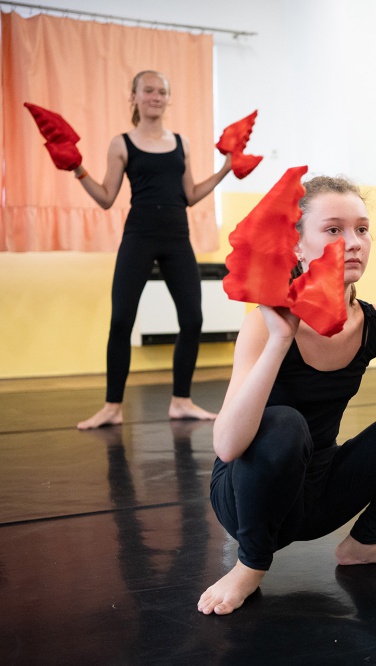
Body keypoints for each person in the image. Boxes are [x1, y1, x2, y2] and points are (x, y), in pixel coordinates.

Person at [197, 175, 376, 616]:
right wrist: (281, 339)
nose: (353, 242)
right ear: (298, 246)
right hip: (246, 500)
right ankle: (251, 563)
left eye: (362, 229)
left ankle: (367, 541)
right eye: (334, 229)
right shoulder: (264, 323)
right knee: (285, 423)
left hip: (318, 498)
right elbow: (226, 446)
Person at [74, 70, 232, 429]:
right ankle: (112, 407)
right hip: (140, 235)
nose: (155, 96)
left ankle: (181, 401)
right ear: (134, 97)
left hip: (177, 235)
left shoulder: (181, 142)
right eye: (148, 90)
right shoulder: (121, 143)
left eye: (162, 91)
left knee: (192, 319)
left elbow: (190, 194)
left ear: (167, 98)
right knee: (121, 319)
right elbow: (106, 197)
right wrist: (78, 168)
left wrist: (225, 170)